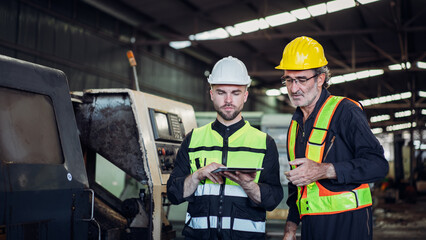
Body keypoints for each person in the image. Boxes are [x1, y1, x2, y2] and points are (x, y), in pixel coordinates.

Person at [275, 36, 389, 240]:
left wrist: (325, 170)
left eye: (301, 79)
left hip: (349, 225)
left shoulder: (345, 111)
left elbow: (378, 164)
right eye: (289, 80)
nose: (294, 88)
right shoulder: (295, 124)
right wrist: (291, 228)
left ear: (320, 78)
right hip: (312, 227)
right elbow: (297, 187)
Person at [167, 56, 283, 239]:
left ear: (245, 95)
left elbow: (273, 200)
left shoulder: (263, 142)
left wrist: (248, 185)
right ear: (211, 94)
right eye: (221, 92)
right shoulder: (193, 139)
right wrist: (197, 176)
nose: (228, 100)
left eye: (236, 93)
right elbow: (173, 195)